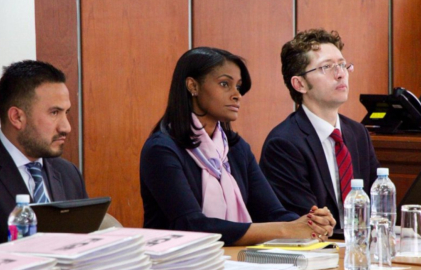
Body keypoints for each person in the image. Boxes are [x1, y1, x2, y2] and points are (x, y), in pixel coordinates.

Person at [140, 47, 336, 246]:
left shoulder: (236, 148)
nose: (237, 95)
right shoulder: (162, 150)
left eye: (239, 87)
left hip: (232, 259)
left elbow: (272, 212)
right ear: (193, 86)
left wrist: (310, 223)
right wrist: (287, 229)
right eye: (225, 84)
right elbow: (191, 225)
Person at [259, 29, 379, 229]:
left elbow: (377, 201)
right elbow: (309, 223)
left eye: (342, 65)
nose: (341, 74)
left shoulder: (358, 133)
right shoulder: (283, 144)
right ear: (300, 84)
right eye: (327, 67)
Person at [0, 60, 88, 247]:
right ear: (17, 117)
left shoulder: (69, 174)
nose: (66, 127)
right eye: (54, 112)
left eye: (67, 112)